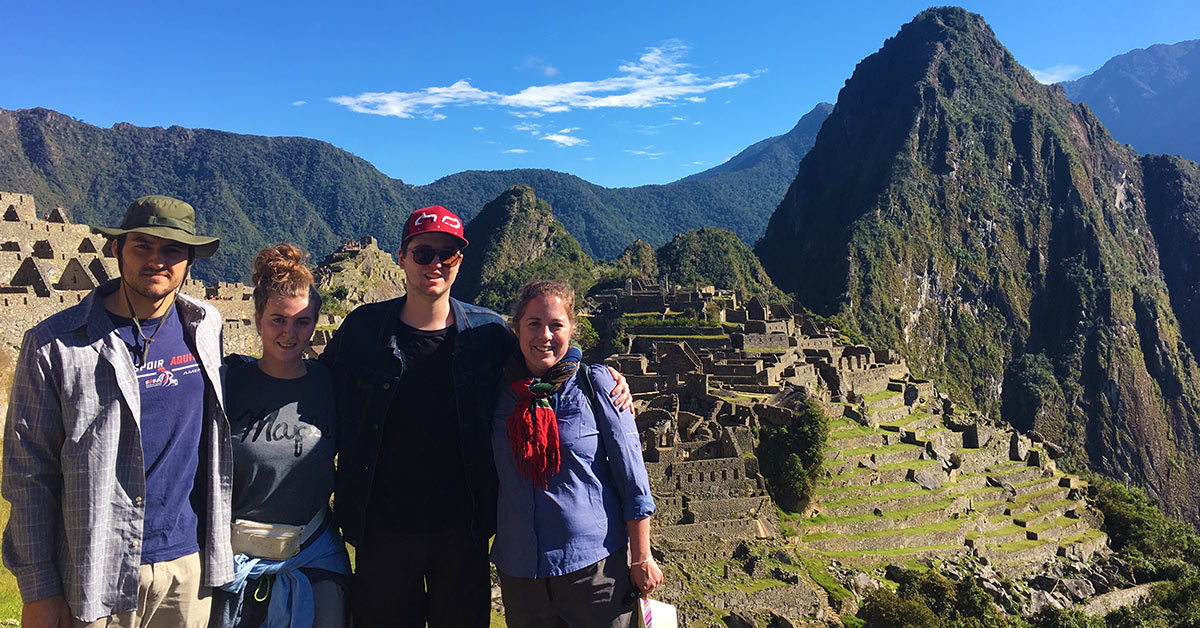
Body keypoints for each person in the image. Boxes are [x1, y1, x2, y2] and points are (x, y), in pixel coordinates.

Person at [319, 205, 631, 628]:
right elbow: (316, 394)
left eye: (446, 254)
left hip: (462, 535)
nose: (435, 264)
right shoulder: (362, 330)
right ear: (402, 257)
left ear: (459, 261)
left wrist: (596, 371)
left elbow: (541, 354)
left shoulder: (486, 335)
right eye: (423, 252)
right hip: (381, 530)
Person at [2, 195, 232, 628]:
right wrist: (38, 591)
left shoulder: (205, 328)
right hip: (94, 571)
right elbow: (28, 473)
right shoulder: (55, 345)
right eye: (142, 246)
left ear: (190, 260)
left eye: (173, 250)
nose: (157, 260)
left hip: (187, 567)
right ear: (116, 249)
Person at [491, 279, 663, 628]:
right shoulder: (496, 392)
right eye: (534, 324)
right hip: (521, 575)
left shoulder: (597, 385)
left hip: (595, 570)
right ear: (516, 329)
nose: (545, 335)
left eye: (556, 325)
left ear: (572, 329)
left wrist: (641, 556)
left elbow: (633, 478)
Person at [212, 244, 350, 628]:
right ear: (257, 319)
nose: (290, 333)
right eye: (278, 320)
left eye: (303, 322)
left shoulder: (329, 385)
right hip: (233, 557)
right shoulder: (228, 383)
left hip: (312, 552)